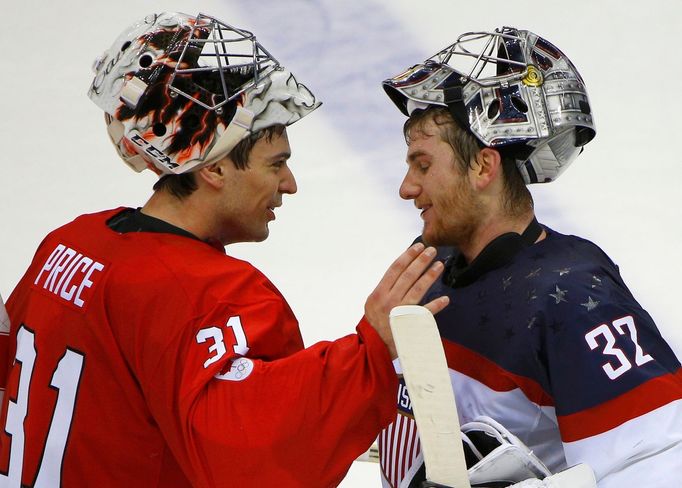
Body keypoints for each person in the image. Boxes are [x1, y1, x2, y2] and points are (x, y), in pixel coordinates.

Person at [0, 12, 449, 487]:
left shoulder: (70, 242)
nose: (289, 184)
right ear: (213, 168)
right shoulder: (211, 295)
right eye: (276, 163)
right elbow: (253, 456)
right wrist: (371, 352)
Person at [377, 27, 682, 488]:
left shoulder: (574, 298)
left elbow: (660, 461)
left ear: (483, 166)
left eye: (422, 166)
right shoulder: (432, 270)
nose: (407, 188)